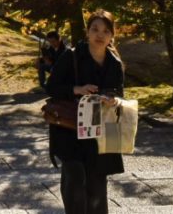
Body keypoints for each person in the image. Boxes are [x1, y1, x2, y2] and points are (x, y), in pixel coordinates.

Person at [47, 11, 125, 214]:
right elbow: (51, 87)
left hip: (99, 130)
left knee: (97, 183)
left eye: (106, 31)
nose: (100, 34)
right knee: (74, 177)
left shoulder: (115, 63)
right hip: (70, 128)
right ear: (87, 32)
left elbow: (119, 94)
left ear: (112, 35)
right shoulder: (71, 56)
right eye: (95, 29)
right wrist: (76, 89)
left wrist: (113, 99)